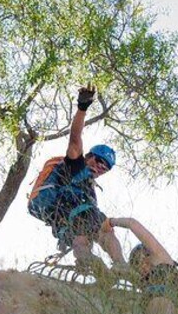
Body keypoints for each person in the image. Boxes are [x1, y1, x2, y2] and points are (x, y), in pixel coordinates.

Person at [28, 84, 125, 270]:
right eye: (98, 161)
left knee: (83, 239)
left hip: (61, 219)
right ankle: (119, 265)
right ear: (88, 156)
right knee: (101, 231)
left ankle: (93, 264)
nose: (100, 168)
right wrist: (82, 108)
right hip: (72, 211)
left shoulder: (88, 186)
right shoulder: (75, 165)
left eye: (105, 168)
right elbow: (75, 139)